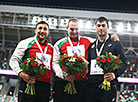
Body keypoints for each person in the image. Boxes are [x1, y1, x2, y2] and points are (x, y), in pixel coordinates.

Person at [52, 18, 119, 102]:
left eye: (76, 29)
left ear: (79, 29)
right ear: (67, 28)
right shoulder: (59, 44)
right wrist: (64, 75)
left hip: (82, 84)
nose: (74, 31)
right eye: (71, 29)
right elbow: (55, 63)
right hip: (63, 83)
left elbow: (103, 42)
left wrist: (112, 37)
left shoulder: (88, 41)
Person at [9, 21, 53, 102]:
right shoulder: (26, 43)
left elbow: (51, 70)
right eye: (40, 28)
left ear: (48, 32)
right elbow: (13, 60)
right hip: (28, 83)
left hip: (44, 87)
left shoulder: (51, 48)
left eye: (45, 29)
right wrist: (22, 74)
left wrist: (50, 88)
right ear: (35, 30)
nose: (42, 31)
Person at [86, 16, 127, 102]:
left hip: (108, 86)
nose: (101, 28)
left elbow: (124, 63)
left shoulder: (115, 44)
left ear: (108, 27)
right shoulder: (91, 46)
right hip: (92, 88)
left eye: (103, 25)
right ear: (96, 28)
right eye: (99, 25)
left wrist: (114, 74)